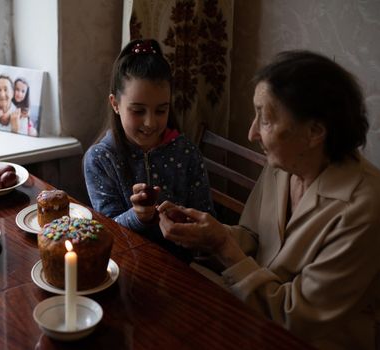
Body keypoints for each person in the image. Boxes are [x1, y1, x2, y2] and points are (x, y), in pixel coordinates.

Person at [157, 50, 380, 349]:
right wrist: (209, 234)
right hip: (254, 313)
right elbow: (253, 236)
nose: (251, 133)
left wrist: (224, 248)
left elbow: (297, 318)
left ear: (315, 131)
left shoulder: (364, 206)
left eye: (265, 119)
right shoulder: (285, 165)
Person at [83, 39, 215, 262]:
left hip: (183, 267)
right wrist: (138, 217)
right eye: (138, 110)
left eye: (161, 110)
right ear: (115, 104)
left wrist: (186, 222)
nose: (150, 122)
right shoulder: (100, 159)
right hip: (125, 265)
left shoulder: (186, 152)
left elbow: (208, 220)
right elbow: (107, 230)